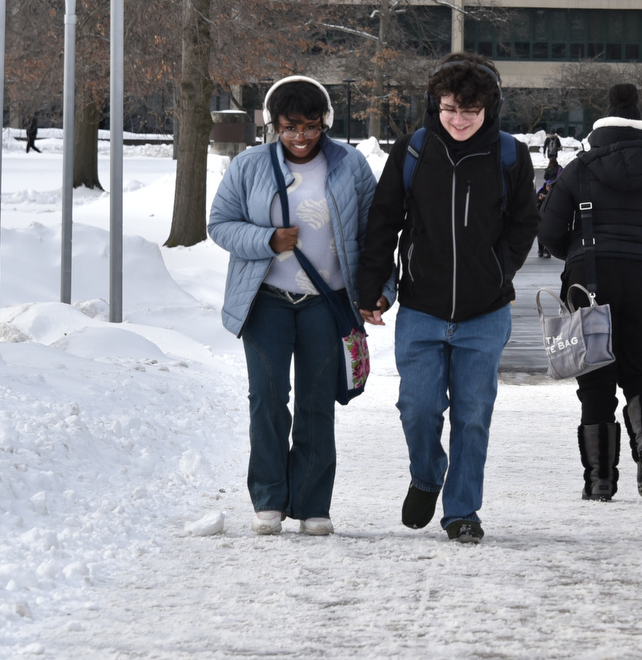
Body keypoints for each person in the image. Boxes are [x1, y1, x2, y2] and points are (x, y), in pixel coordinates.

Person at [359, 53, 539, 545]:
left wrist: (499, 269)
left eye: (470, 111)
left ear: (489, 109)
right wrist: (372, 287)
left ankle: (462, 511)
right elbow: (383, 221)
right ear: (435, 106)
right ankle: (426, 475)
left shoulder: (508, 155)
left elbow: (525, 223)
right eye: (449, 109)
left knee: (472, 415)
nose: (459, 120)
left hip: (486, 314)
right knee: (417, 408)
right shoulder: (413, 151)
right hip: (421, 308)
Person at [208, 76, 378, 538]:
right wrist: (267, 240)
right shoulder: (249, 166)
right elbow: (219, 224)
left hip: (327, 302)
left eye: (309, 126)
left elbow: (373, 233)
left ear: (325, 121)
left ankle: (312, 504)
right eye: (288, 127)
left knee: (317, 401)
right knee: (267, 398)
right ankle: (269, 499)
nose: (299, 136)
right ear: (272, 125)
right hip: (266, 301)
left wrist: (377, 290)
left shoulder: (352, 165)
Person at [538, 84, 642, 501]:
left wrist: (578, 249)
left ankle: (599, 481)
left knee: (595, 384)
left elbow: (550, 231)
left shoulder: (579, 169)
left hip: (591, 281)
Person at [535, 157, 561, 258]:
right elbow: (535, 201)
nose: (548, 187)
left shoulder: (554, 193)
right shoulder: (542, 191)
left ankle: (546, 250)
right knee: (541, 234)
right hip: (541, 215)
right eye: (548, 185)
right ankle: (541, 250)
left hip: (549, 216)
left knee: (546, 234)